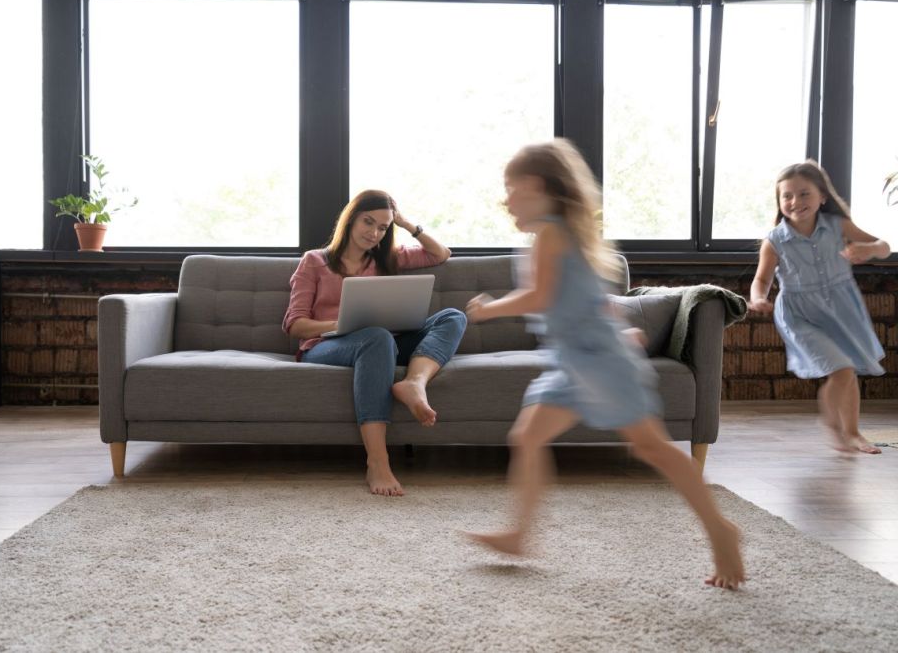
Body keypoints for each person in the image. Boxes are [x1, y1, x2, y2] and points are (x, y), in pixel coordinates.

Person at [464, 139, 745, 590]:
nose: (506, 199)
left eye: (513, 188)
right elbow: (588, 300)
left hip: (596, 363)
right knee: (529, 435)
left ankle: (720, 529)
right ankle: (519, 533)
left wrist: (489, 309)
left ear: (539, 188)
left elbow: (543, 296)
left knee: (650, 448)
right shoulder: (558, 236)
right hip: (574, 361)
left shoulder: (553, 234)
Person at [283, 190, 467, 497]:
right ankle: (378, 462)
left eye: (382, 227)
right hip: (326, 345)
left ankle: (414, 383)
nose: (374, 232)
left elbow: (441, 254)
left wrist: (407, 224)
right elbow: (294, 324)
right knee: (376, 336)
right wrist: (340, 324)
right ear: (351, 219)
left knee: (452, 317)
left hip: (385, 342)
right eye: (368, 222)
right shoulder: (314, 261)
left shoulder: (388, 258)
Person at [749, 160, 890, 454]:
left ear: (822, 196)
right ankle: (832, 424)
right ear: (779, 201)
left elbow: (884, 246)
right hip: (799, 315)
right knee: (841, 369)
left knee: (847, 371)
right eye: (786, 196)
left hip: (841, 309)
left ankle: (852, 432)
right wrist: (759, 297)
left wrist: (870, 249)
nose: (794, 202)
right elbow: (761, 278)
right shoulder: (775, 241)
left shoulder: (839, 226)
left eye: (804, 194)